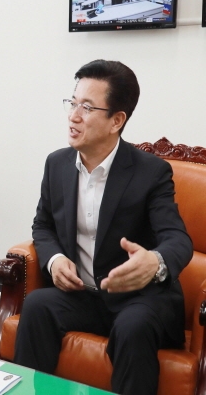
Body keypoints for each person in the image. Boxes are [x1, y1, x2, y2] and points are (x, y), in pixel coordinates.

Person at [13, 59, 192, 395]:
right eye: (72, 103)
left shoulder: (150, 172)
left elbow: (177, 238)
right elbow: (43, 225)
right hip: (84, 295)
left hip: (138, 299)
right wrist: (54, 260)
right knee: (37, 305)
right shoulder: (57, 164)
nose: (73, 116)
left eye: (87, 107)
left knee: (133, 327)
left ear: (116, 120)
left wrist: (155, 262)